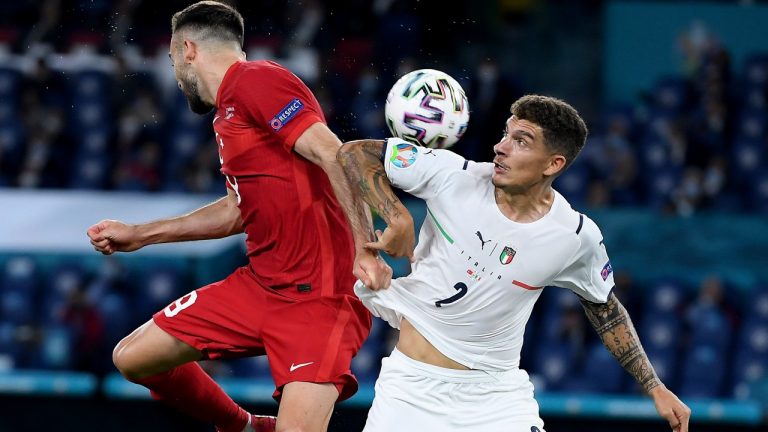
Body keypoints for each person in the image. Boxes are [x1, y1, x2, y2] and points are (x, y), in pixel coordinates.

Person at [87, 2, 391, 432]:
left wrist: (367, 249)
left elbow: (334, 154)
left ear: (187, 49)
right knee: (134, 357)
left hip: (318, 296)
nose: (174, 74)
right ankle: (244, 425)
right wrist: (140, 234)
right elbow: (236, 210)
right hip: (262, 286)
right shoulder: (228, 111)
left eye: (172, 59)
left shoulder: (257, 80)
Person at [337, 94, 691, 432]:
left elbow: (606, 310)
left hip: (496, 399)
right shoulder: (452, 175)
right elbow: (353, 155)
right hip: (410, 391)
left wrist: (655, 387)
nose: (501, 147)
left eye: (521, 141)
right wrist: (396, 215)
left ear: (554, 164)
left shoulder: (575, 236)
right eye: (506, 133)